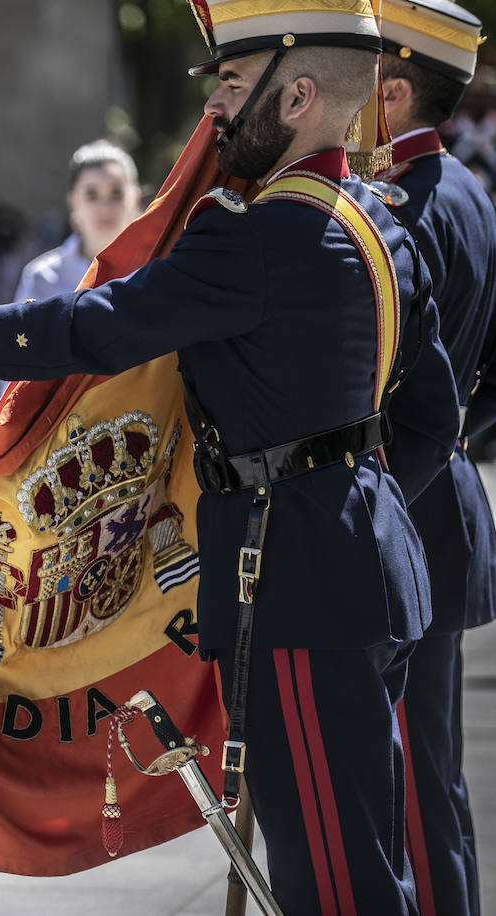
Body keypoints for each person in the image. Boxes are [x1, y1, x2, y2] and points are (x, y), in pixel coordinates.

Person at [0, 2, 459, 912]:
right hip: (372, 566)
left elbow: (87, 327)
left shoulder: (256, 234)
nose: (216, 112)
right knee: (367, 851)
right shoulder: (380, 221)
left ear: (300, 95)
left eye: (233, 89)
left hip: (298, 583)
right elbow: (433, 417)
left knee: (333, 881)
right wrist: (351, 504)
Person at [374, 4, 496, 913]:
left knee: (410, 773)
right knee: (433, 774)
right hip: (440, 487)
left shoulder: (402, 207)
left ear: (392, 89)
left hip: (400, 500)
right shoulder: (467, 190)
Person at [13, 139, 142, 304]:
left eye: (116, 194)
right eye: (91, 195)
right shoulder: (42, 277)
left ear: (135, 198)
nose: (105, 207)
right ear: (73, 201)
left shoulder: (153, 269)